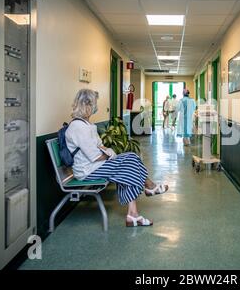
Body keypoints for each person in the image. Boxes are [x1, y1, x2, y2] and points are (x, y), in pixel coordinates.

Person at [65, 89, 168, 227]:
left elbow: (100, 146)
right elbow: (95, 156)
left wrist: (108, 152)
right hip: (87, 170)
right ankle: (148, 189)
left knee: (131, 158)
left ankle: (135, 211)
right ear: (86, 105)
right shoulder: (78, 127)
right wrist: (110, 155)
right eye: (94, 104)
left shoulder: (86, 125)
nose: (95, 108)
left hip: (95, 166)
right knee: (129, 163)